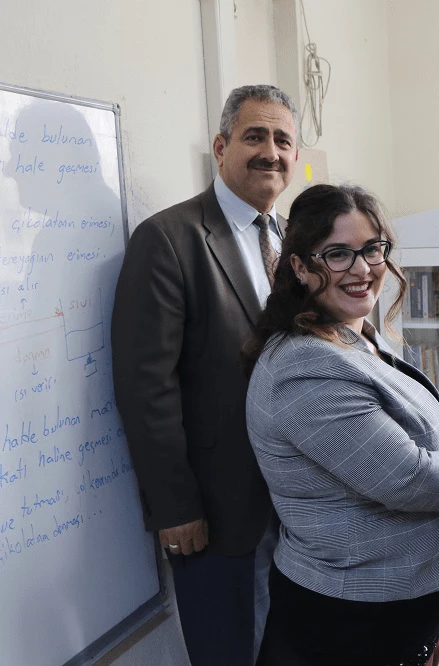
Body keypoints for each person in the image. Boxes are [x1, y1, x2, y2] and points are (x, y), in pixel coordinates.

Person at [244, 183, 439, 666]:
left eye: (371, 249)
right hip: (348, 619)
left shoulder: (355, 336)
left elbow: (390, 441)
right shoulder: (304, 366)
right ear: (299, 266)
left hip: (391, 612)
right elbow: (405, 477)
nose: (362, 269)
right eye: (337, 254)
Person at [111, 84, 298, 665]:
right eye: (255, 136)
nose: (271, 151)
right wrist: (175, 505)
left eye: (283, 139)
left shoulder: (296, 238)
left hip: (299, 503)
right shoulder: (169, 239)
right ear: (220, 148)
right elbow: (147, 388)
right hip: (218, 514)